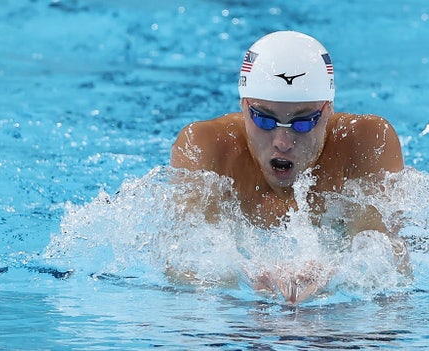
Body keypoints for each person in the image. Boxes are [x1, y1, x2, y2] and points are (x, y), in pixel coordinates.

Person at [170, 31, 409, 303]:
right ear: (243, 106)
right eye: (264, 120)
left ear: (328, 110)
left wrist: (335, 274)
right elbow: (181, 262)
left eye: (303, 122)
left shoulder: (366, 142)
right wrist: (244, 276)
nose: (283, 142)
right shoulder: (206, 146)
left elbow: (389, 263)